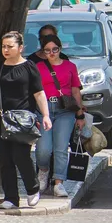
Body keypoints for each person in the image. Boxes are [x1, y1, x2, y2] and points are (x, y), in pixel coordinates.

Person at [0, 31, 52, 209]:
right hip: (0, 119)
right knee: (4, 159)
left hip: (22, 120)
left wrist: (45, 115)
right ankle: (10, 197)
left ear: (20, 48)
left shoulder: (29, 67)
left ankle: (32, 188)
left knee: (21, 155)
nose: (6, 50)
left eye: (10, 46)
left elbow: (39, 93)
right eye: (4, 46)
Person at [33, 35, 85, 198]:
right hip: (44, 109)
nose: (52, 53)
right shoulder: (38, 67)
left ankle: (58, 183)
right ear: (43, 52)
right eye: (47, 50)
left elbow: (75, 91)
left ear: (60, 49)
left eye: (55, 49)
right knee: (43, 150)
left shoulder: (70, 66)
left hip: (65, 110)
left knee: (61, 148)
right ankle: (43, 170)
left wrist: (80, 114)